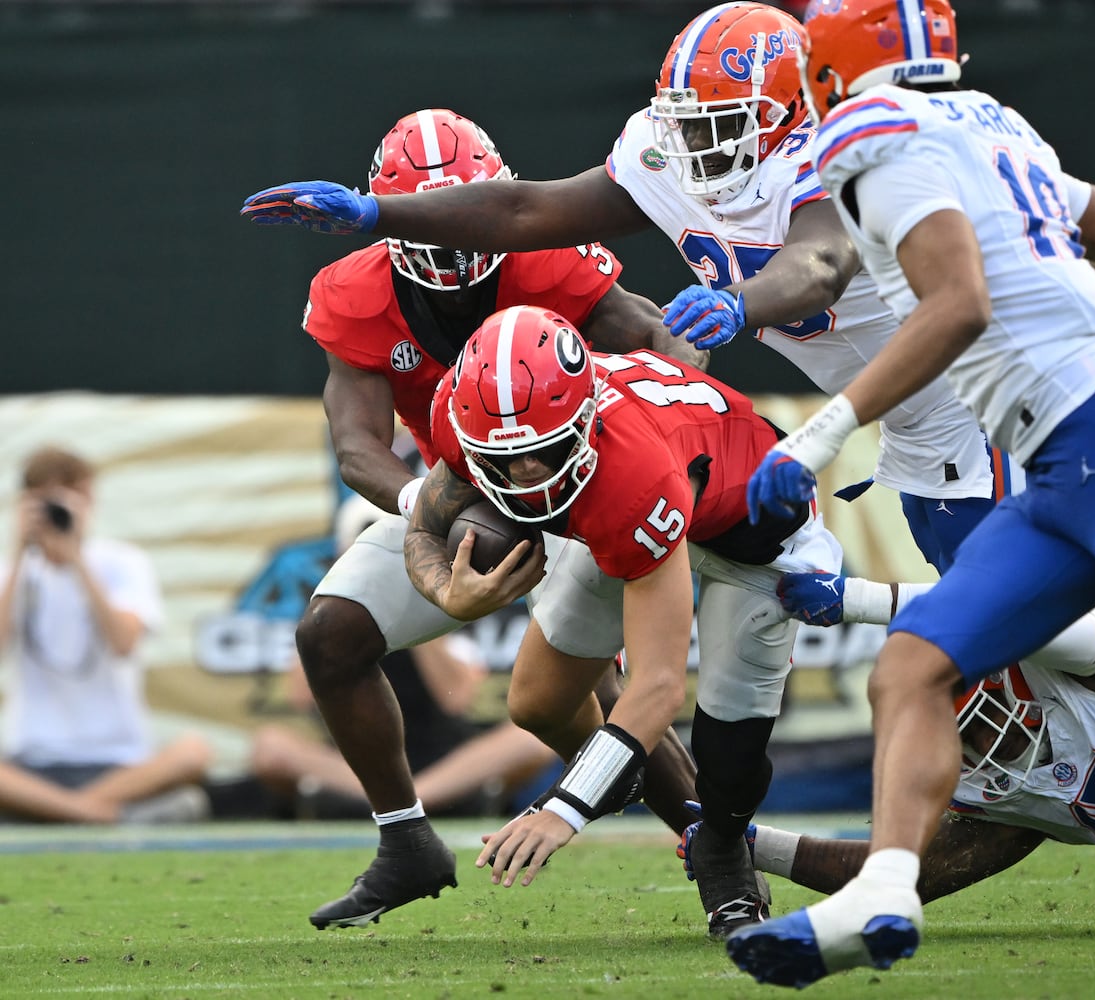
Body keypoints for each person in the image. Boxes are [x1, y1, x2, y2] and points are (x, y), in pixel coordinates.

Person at [717, 0, 1095, 985]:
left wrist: (817, 434)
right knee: (911, 668)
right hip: (1057, 460)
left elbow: (958, 303)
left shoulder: (868, 138)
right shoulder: (992, 122)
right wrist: (1046, 277)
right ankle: (880, 895)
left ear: (831, 66)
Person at [238, 2, 1024, 577]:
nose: (692, 143)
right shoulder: (665, 153)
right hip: (906, 412)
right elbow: (523, 207)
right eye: (683, 118)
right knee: (982, 605)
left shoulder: (832, 152)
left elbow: (821, 265)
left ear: (788, 114)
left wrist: (740, 303)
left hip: (976, 391)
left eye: (719, 123)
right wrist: (379, 211)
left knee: (1008, 609)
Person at [248, 108, 709, 930]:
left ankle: (715, 852)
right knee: (331, 635)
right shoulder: (354, 292)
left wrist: (658, 448)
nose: (457, 247)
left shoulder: (549, 254)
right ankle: (406, 843)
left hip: (580, 489)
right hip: (465, 495)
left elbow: (660, 343)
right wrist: (427, 516)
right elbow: (358, 446)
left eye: (467, 217)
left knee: (580, 693)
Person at [403, 304, 844, 937]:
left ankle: (723, 856)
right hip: (626, 504)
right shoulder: (464, 410)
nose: (528, 474)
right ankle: (618, 770)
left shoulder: (632, 475)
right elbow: (424, 521)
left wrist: (565, 807)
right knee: (537, 702)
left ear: (582, 420)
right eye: (507, 459)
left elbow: (659, 685)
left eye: (545, 449)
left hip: (755, 526)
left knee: (729, 753)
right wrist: (447, 591)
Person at [707, 583, 1095, 930]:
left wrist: (856, 601)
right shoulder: (1011, 795)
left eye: (976, 727)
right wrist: (743, 839)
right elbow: (896, 875)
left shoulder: (1090, 651)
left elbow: (1005, 603)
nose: (979, 752)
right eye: (962, 743)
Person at [248, 494, 557, 820]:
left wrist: (406, 603)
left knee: (529, 741)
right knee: (270, 746)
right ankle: (403, 798)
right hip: (360, 761)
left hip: (441, 759)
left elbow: (457, 698)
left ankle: (408, 799)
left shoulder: (442, 609)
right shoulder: (328, 621)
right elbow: (299, 696)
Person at [0, 446, 213, 824]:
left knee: (193, 751)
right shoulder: (12, 571)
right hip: (32, 758)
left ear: (89, 498)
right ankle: (96, 814)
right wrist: (20, 552)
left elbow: (122, 642)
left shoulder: (122, 561)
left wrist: (76, 558)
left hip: (119, 762)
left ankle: (56, 812)